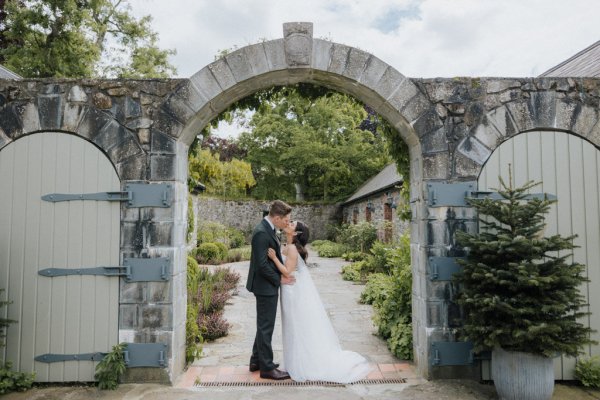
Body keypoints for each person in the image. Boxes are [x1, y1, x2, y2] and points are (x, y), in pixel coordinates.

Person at [267, 221, 373, 383]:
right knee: (292, 326)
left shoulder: (293, 248)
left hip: (292, 292)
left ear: (295, 233)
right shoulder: (289, 245)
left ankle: (301, 362)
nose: (289, 222)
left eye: (292, 223)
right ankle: (293, 360)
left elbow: (288, 272)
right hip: (290, 289)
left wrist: (274, 258)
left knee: (296, 325)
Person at [246, 200, 295, 380]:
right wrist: (279, 279)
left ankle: (256, 360)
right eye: (285, 220)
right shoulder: (261, 233)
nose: (287, 223)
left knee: (263, 324)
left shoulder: (269, 229)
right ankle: (266, 368)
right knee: (266, 326)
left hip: (266, 285)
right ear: (276, 217)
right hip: (265, 286)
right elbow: (261, 265)